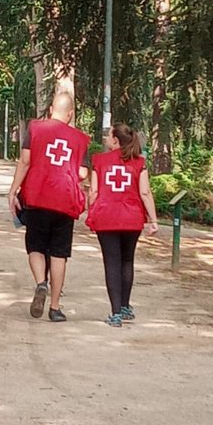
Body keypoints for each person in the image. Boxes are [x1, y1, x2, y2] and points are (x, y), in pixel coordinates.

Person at [7, 92, 89, 322]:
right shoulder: (81, 139)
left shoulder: (35, 128)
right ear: (71, 114)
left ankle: (40, 283)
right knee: (59, 253)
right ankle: (55, 308)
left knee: (35, 246)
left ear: (52, 109)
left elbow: (25, 161)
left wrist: (13, 190)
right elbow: (82, 172)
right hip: (65, 200)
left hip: (37, 196)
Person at [86, 122, 158, 327]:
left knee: (112, 263)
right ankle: (125, 306)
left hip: (106, 217)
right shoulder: (139, 162)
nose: (106, 139)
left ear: (116, 140)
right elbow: (145, 193)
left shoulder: (99, 161)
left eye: (109, 136)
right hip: (132, 218)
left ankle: (115, 312)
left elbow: (94, 192)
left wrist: (90, 211)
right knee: (127, 261)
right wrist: (153, 220)